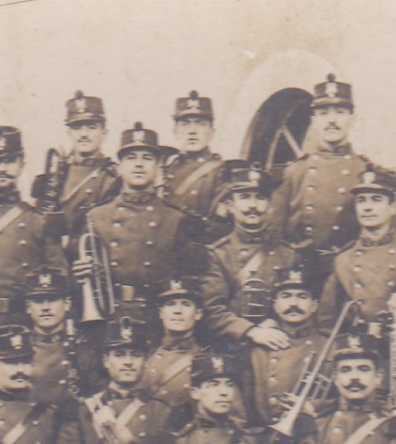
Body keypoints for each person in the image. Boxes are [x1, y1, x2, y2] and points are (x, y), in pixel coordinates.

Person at [70, 122, 206, 323]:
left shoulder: (177, 219)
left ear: (158, 168)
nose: (139, 164)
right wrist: (80, 273)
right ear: (120, 168)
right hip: (109, 318)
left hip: (157, 319)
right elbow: (75, 281)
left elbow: (193, 279)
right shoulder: (95, 217)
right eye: (131, 158)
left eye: (147, 158)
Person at [0, 126, 66, 329]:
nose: (2, 169)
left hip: (27, 324)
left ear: (21, 163)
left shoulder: (39, 221)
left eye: (9, 161)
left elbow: (59, 277)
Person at [197, 161, 298, 354]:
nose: (252, 206)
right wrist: (251, 331)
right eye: (244, 197)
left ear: (270, 205)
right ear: (231, 205)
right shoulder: (217, 254)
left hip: (277, 346)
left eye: (260, 198)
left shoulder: (288, 254)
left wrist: (277, 322)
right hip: (232, 348)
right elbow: (212, 311)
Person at [271, 74, 374, 260]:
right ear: (314, 121)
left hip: (349, 272)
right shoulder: (294, 173)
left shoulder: (366, 171)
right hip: (302, 274)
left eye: (340, 112)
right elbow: (274, 236)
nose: (332, 120)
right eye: (324, 113)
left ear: (352, 118)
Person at [77, 315, 173, 444]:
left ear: (145, 361)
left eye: (135, 355)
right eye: (120, 355)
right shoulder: (86, 410)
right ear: (106, 361)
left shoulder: (162, 412)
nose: (128, 362)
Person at [320, 167, 396, 325]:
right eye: (361, 200)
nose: (367, 207)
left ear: (392, 208)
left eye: (376, 199)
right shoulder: (343, 260)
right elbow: (326, 321)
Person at [245, 265, 331, 427]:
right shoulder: (258, 347)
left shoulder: (329, 346)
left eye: (302, 296)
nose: (294, 303)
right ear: (275, 306)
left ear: (314, 306)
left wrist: (313, 407)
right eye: (286, 296)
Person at [45, 91, 122, 235]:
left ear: (104, 132)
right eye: (76, 128)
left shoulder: (113, 178)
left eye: (91, 127)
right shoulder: (56, 174)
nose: (83, 134)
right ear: (69, 133)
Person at [22, 267, 99, 407]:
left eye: (52, 299)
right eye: (38, 300)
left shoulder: (81, 348)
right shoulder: (19, 349)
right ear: (28, 307)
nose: (45, 307)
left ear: (67, 304)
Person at [141, 278, 208, 408]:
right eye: (171, 304)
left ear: (198, 314)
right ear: (161, 313)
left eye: (186, 304)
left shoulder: (205, 361)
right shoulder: (146, 358)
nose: (178, 310)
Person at [161, 91, 226, 222]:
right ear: (176, 132)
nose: (192, 131)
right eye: (185, 124)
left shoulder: (221, 172)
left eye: (200, 124)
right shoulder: (166, 169)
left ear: (211, 132)